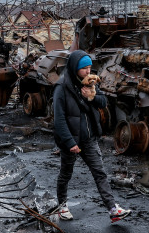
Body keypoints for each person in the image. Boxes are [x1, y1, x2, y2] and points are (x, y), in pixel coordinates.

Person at [52, 50, 131, 223]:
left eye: (89, 67)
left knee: (100, 173)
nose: (88, 71)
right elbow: (58, 119)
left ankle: (113, 209)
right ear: (74, 68)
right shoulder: (62, 87)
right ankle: (62, 206)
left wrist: (91, 97)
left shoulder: (91, 83)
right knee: (66, 173)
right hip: (71, 140)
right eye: (84, 68)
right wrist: (69, 142)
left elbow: (103, 102)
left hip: (89, 138)